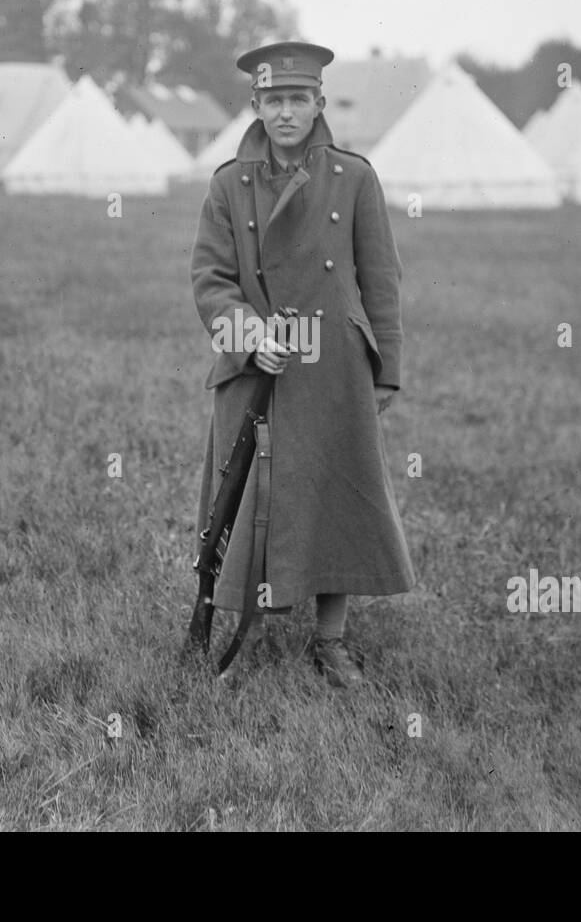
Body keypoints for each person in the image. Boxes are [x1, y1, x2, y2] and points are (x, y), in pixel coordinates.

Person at [190, 41, 415, 687]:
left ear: (318, 103)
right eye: (273, 101)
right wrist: (248, 334)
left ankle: (331, 639)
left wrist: (387, 370)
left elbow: (382, 279)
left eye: (298, 99)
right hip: (257, 367)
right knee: (253, 499)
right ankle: (248, 629)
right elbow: (211, 278)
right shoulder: (229, 184)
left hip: (333, 370)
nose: (285, 112)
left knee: (336, 497)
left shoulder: (355, 177)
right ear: (255, 106)